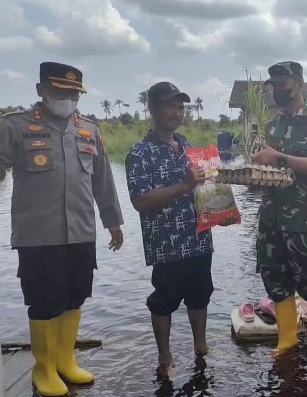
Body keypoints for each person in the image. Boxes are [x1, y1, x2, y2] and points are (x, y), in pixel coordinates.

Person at [0, 62, 124, 396]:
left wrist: (113, 221)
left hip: (81, 232)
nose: (67, 98)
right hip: (38, 235)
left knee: (74, 296)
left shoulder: (88, 130)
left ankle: (65, 360)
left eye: (73, 93)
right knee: (44, 300)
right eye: (59, 91)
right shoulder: (15, 126)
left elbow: (102, 180)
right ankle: (43, 368)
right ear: (41, 90)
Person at [125, 82, 237, 377]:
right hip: (166, 244)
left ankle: (201, 347)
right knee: (164, 300)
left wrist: (221, 214)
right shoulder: (140, 153)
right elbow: (140, 201)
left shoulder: (190, 148)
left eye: (180, 106)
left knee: (200, 294)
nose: (176, 112)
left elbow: (207, 192)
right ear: (152, 109)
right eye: (169, 106)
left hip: (199, 240)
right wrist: (184, 185)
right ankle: (165, 357)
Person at [252, 61, 307, 360]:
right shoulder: (274, 123)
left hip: (305, 217)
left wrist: (279, 157)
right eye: (274, 86)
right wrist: (255, 171)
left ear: (299, 84)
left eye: (283, 86)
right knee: (274, 276)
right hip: (272, 215)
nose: (278, 91)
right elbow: (269, 165)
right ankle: (287, 338)